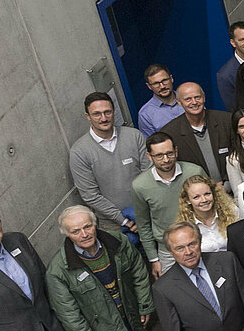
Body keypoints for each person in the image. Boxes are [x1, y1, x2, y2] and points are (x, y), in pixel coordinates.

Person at [70, 93, 148, 235]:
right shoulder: (79, 152)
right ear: (88, 116)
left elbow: (149, 173)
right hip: (113, 226)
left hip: (148, 214)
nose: (104, 118)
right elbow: (90, 195)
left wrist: (145, 212)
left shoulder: (134, 136)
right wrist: (125, 221)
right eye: (97, 114)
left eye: (107, 112)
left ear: (114, 111)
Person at [132, 133, 207, 276]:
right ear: (149, 156)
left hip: (200, 241)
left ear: (176, 151)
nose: (165, 160)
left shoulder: (194, 172)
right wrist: (154, 259)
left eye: (169, 153)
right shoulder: (140, 186)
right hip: (167, 251)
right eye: (159, 156)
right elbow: (144, 225)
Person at [137, 64, 185, 137]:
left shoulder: (188, 98)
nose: (162, 86)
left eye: (164, 80)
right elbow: (153, 144)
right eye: (156, 83)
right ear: (149, 86)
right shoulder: (145, 114)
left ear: (171, 79)